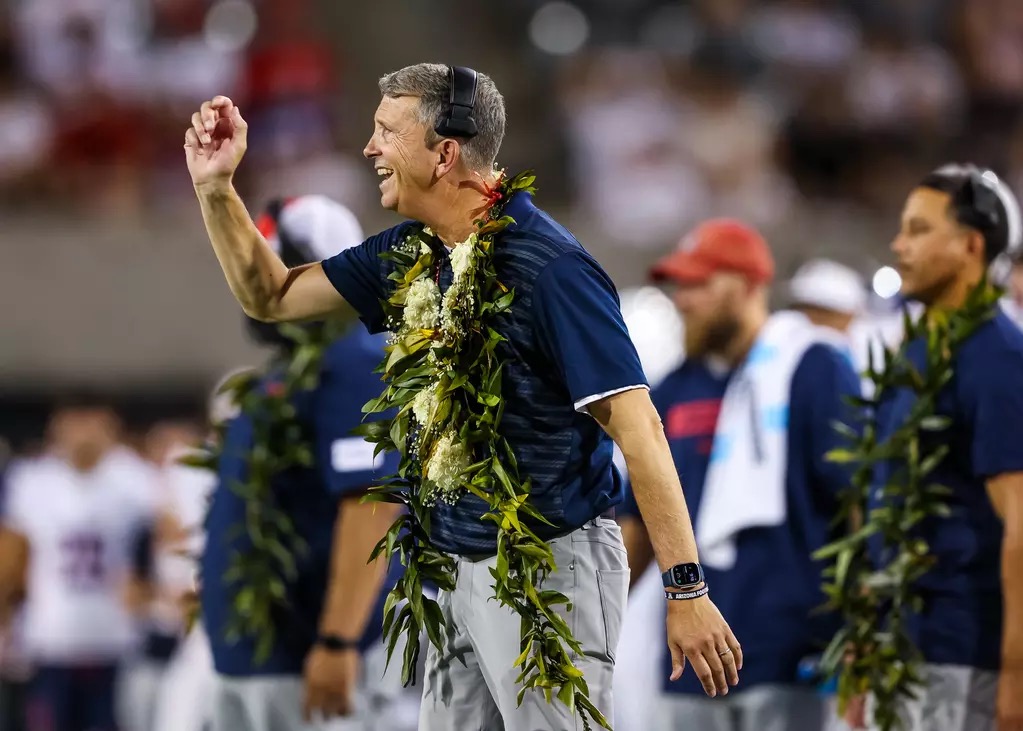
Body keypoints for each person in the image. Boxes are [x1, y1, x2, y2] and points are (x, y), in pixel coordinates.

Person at [183, 63, 740, 730]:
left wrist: (686, 588)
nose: (369, 148)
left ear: (444, 152)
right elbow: (270, 295)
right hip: (448, 561)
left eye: (387, 131)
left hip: (546, 562)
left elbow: (639, 430)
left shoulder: (550, 267)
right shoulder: (411, 254)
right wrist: (217, 190)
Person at [618, 219, 862, 731]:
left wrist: (866, 626)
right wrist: (593, 622)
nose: (683, 300)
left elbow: (858, 503)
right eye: (680, 286)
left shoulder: (813, 367)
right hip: (690, 660)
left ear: (751, 285)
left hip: (793, 653)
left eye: (700, 284)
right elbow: (637, 522)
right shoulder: (674, 390)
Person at [195, 194, 409, 731]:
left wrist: (338, 640)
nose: (252, 281)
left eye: (267, 264)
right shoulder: (290, 372)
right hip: (257, 661)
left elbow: (371, 505)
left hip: (307, 662)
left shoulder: (353, 362)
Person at [846, 164, 1023, 731]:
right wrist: (866, 646)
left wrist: (1016, 675)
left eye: (919, 230)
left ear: (972, 244)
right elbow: (884, 505)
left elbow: (1021, 524)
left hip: (961, 653)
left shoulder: (997, 355)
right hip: (900, 654)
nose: (899, 245)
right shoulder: (917, 349)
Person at [0, 394, 158, 731]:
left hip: (115, 639)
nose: (83, 433)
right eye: (76, 422)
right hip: (51, 639)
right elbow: (11, 555)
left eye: (92, 422)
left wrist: (144, 586)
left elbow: (162, 536)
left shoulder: (133, 477)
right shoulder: (32, 480)